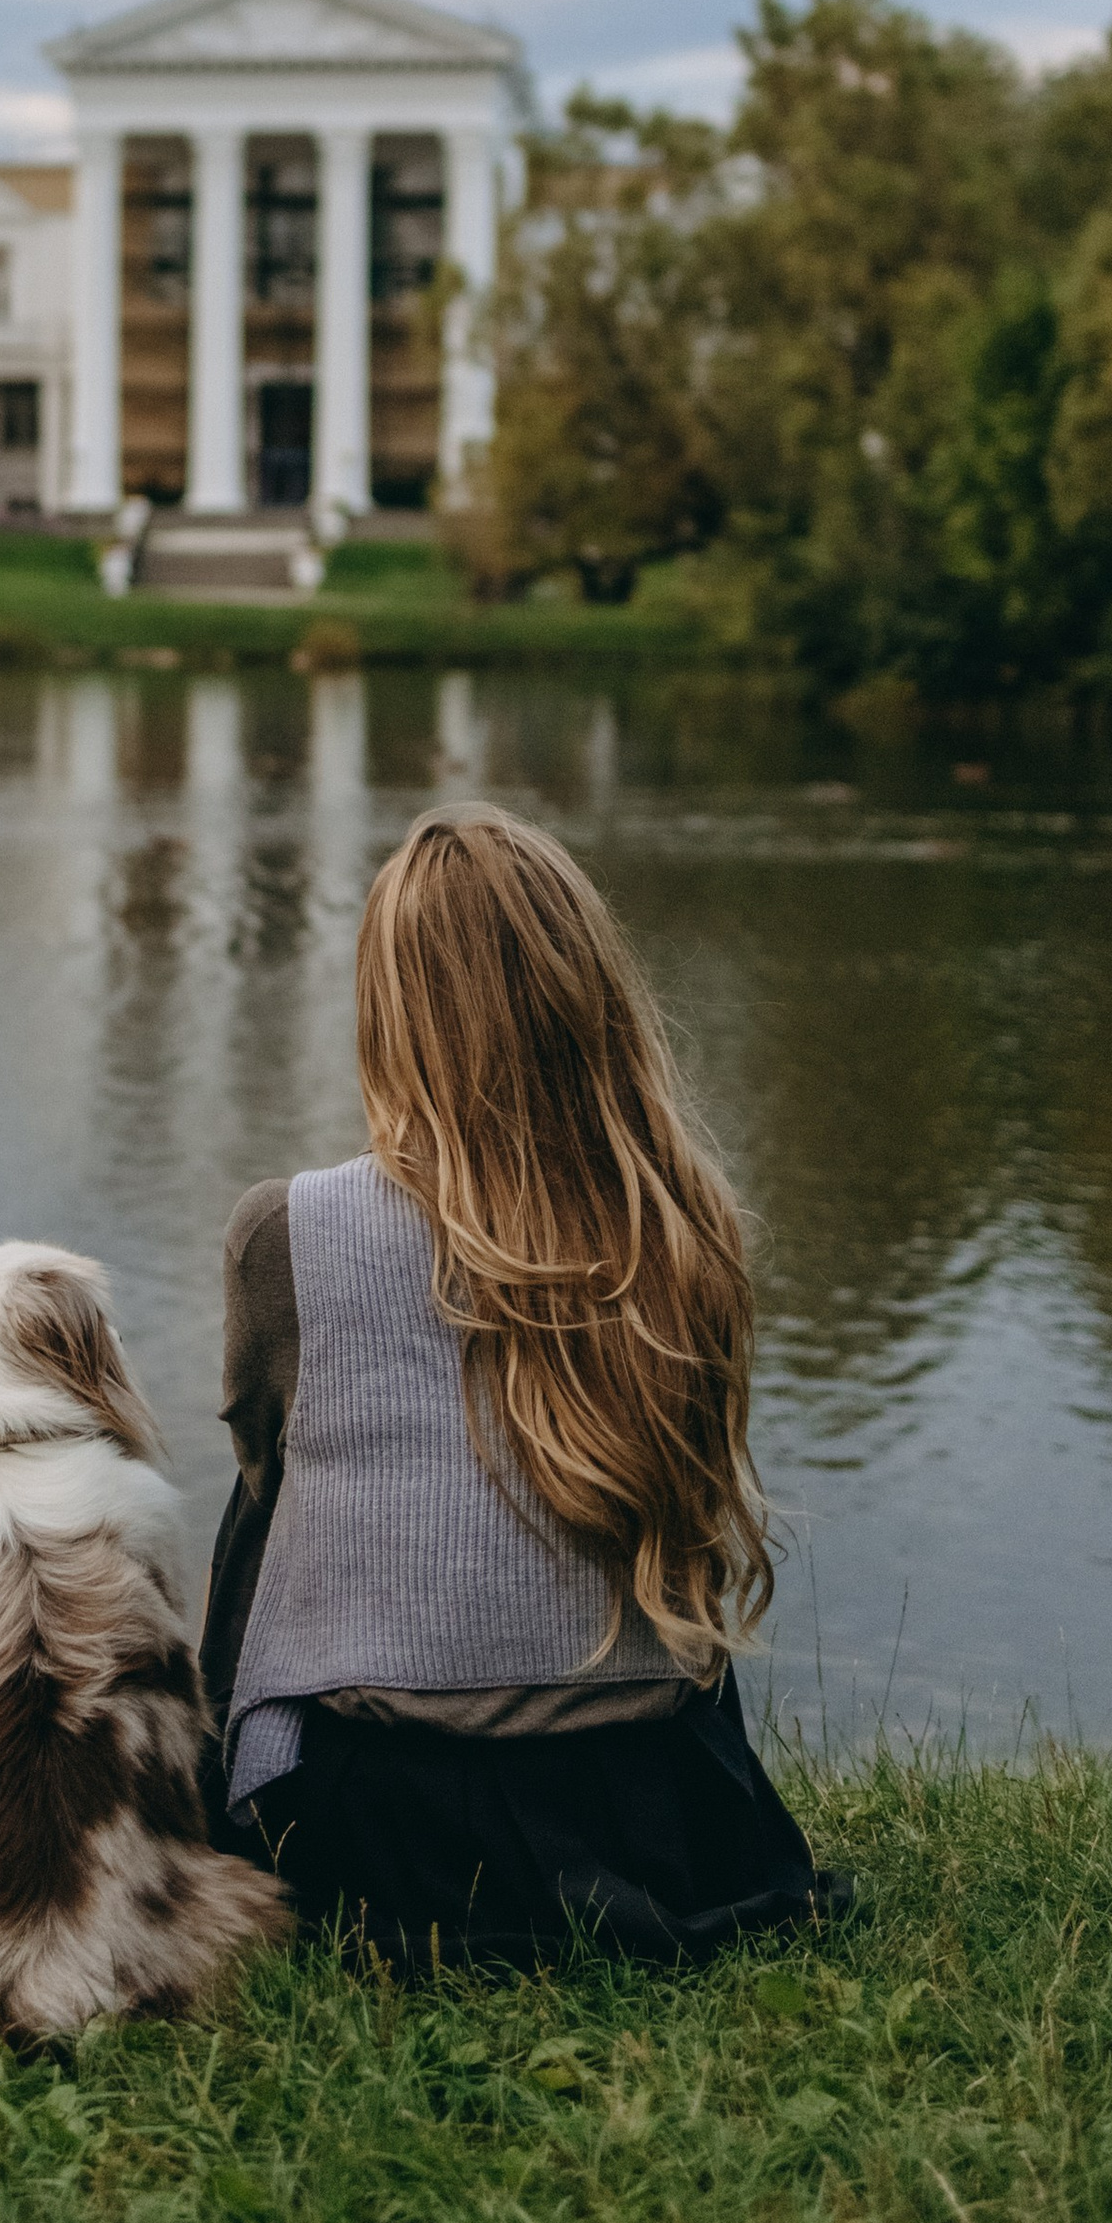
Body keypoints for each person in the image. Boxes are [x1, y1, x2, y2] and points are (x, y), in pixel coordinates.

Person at [201, 804, 842, 1968]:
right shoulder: (686, 1224)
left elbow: (264, 1459)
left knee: (262, 1498)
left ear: (389, 1011)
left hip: (374, 1821)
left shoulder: (286, 1230)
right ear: (586, 997)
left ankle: (209, 1821)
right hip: (652, 1804)